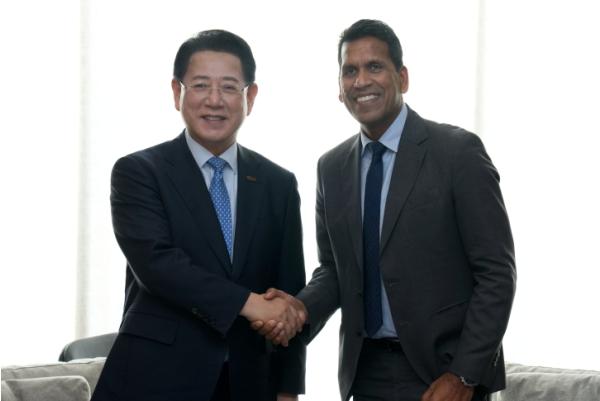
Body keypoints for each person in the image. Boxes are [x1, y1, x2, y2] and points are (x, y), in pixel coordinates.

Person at [255, 19, 516, 401]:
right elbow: (335, 270)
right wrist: (298, 309)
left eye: (374, 66)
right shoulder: (331, 167)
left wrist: (464, 375)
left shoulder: (457, 152)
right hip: (366, 374)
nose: (361, 80)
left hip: (443, 373)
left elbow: (496, 274)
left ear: (402, 78)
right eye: (350, 71)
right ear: (340, 88)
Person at [91, 29, 306, 401]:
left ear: (250, 97)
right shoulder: (139, 172)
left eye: (229, 87)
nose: (214, 100)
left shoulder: (278, 183)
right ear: (177, 92)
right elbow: (159, 265)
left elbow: (288, 290)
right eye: (201, 85)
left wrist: (288, 389)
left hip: (248, 382)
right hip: (155, 380)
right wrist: (249, 303)